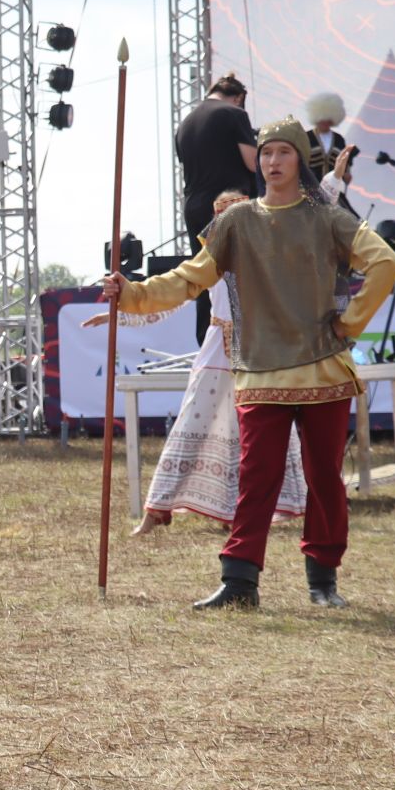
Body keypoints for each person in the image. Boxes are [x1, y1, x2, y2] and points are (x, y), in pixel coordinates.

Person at [101, 119, 395, 611]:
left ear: (299, 160)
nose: (273, 161)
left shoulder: (327, 217)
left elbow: (386, 262)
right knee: (256, 476)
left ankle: (323, 581)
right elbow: (187, 279)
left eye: (284, 152)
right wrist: (132, 292)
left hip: (323, 370)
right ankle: (239, 582)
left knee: (324, 478)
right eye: (266, 153)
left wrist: (349, 324)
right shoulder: (236, 222)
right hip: (261, 373)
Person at [87, 191, 306, 534]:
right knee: (190, 426)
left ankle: (238, 513)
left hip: (258, 356)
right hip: (218, 353)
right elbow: (169, 301)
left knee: (258, 434)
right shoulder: (210, 263)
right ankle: (156, 510)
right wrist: (117, 314)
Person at [175, 73, 259, 343]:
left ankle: (207, 340)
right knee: (238, 275)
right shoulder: (234, 114)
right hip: (229, 205)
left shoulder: (185, 123)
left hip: (194, 206)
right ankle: (240, 341)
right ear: (239, 98)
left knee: (204, 275)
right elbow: (253, 163)